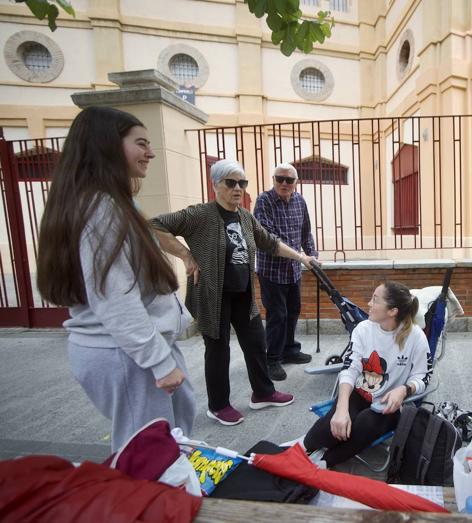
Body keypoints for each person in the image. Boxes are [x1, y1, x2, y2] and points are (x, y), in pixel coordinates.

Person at [36, 106, 196, 451]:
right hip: (126, 355)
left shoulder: (107, 202)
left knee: (167, 446)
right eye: (141, 143)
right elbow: (116, 297)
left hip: (131, 351)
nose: (150, 152)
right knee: (149, 457)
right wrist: (158, 361)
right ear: (107, 145)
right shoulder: (101, 208)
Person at [149, 159, 314, 426]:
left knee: (256, 342)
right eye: (231, 182)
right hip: (214, 295)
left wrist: (301, 258)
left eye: (242, 183)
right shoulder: (200, 215)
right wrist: (186, 256)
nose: (238, 188)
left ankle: (263, 393)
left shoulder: (245, 216)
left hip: (243, 293)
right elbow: (154, 225)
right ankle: (218, 405)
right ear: (216, 185)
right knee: (218, 350)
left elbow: (270, 243)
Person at [304, 281, 432, 467]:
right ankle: (317, 451)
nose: (369, 304)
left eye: (375, 300)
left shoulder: (416, 337)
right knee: (317, 437)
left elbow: (423, 376)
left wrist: (404, 390)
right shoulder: (363, 329)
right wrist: (341, 409)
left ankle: (322, 463)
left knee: (363, 426)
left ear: (392, 311)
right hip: (360, 394)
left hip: (389, 405)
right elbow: (350, 368)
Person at [253, 163, 318, 381]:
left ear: (295, 183)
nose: (284, 183)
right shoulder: (264, 201)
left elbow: (305, 232)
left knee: (293, 311)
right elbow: (269, 240)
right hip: (271, 271)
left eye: (289, 180)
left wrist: (313, 255)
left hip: (293, 271)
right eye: (280, 178)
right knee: (277, 315)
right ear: (273, 179)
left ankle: (290, 350)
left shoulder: (300, 201)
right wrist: (301, 257)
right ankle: (272, 359)